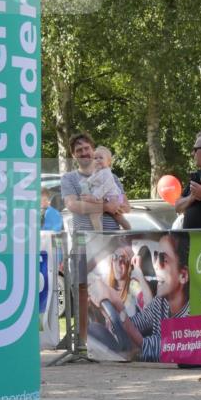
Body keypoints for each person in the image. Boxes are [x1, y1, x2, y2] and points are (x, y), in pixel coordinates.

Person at [61, 132, 128, 349]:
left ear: (93, 149)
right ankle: (82, 342)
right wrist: (105, 207)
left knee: (113, 291)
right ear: (73, 155)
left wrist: (111, 205)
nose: (84, 153)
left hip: (110, 243)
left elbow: (125, 205)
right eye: (78, 150)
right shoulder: (69, 179)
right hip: (84, 242)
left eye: (86, 148)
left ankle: (116, 344)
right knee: (82, 290)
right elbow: (73, 206)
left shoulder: (111, 176)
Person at [105, 232, 190, 362]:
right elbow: (138, 322)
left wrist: (118, 311)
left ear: (183, 276)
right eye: (156, 256)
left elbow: (152, 346)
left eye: (164, 259)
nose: (156, 265)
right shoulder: (160, 302)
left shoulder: (191, 314)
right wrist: (113, 322)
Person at [87, 238, 154, 356]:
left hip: (128, 342)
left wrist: (138, 272)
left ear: (129, 265)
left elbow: (149, 306)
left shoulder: (133, 286)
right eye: (115, 258)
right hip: (111, 342)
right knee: (92, 329)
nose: (118, 263)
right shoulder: (107, 285)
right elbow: (86, 272)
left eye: (123, 260)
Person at [88, 147, 131, 231]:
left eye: (101, 158)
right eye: (95, 158)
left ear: (108, 162)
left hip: (111, 198)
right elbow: (92, 180)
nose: (98, 160)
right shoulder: (97, 172)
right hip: (107, 198)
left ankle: (129, 231)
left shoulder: (107, 173)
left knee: (95, 215)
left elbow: (107, 186)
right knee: (117, 217)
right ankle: (128, 230)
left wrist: (95, 196)